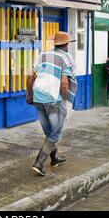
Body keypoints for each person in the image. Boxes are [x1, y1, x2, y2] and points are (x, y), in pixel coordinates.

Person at [30, 31, 77, 176]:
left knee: (50, 132)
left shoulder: (42, 55)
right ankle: (39, 162)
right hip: (54, 100)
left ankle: (54, 158)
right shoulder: (66, 57)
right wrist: (64, 99)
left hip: (38, 97)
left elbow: (31, 76)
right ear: (66, 44)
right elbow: (64, 82)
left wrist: (29, 94)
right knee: (55, 134)